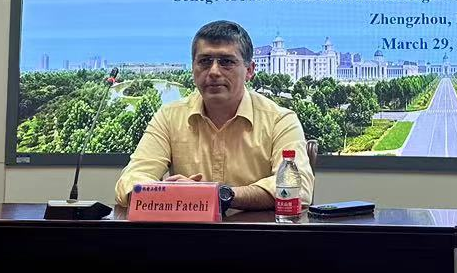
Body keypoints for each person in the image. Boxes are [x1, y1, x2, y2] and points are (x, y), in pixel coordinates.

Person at [115, 21, 312, 211]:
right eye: (204, 61)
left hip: (257, 232)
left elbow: (298, 189)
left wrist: (216, 195)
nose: (214, 71)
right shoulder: (169, 117)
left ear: (250, 71)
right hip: (188, 232)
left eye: (226, 62)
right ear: (193, 68)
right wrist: (168, 193)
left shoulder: (280, 120)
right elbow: (130, 181)